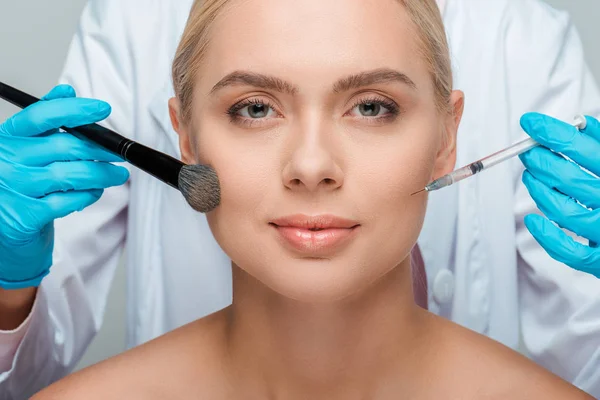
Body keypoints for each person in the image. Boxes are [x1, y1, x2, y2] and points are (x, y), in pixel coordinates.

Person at [1, 0, 600, 398]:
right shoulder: (134, 17)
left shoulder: (520, 32)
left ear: (449, 137)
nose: (311, 167)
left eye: (372, 106)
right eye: (255, 108)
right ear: (182, 137)